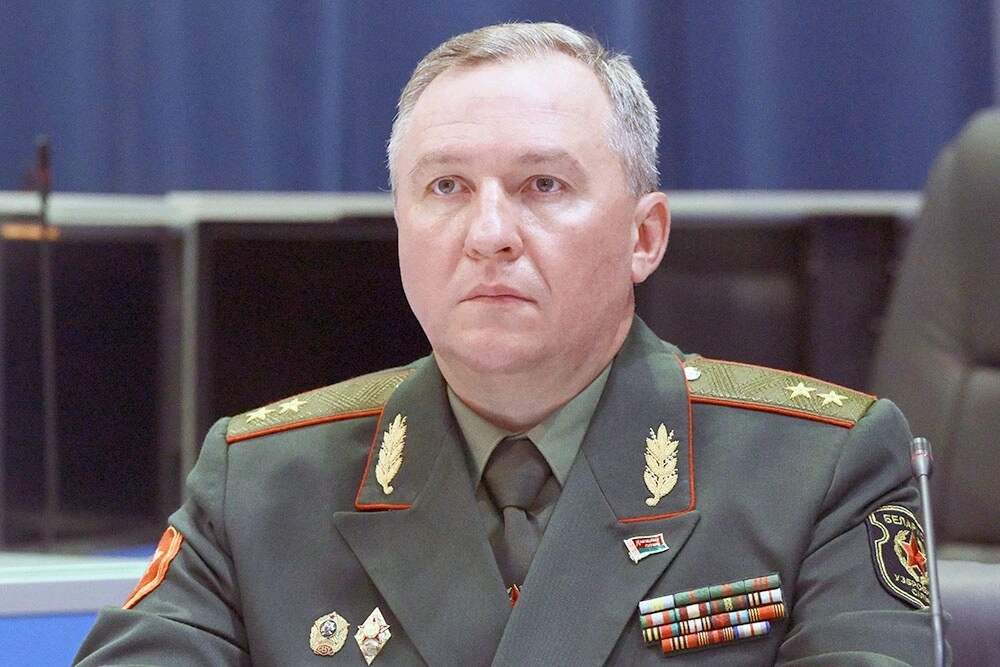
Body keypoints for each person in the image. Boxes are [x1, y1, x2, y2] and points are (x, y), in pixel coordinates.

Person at [76, 22, 938, 666]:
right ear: (400, 228)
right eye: (446, 187)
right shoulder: (261, 481)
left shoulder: (820, 468)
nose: (489, 233)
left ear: (644, 236)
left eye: (543, 185)